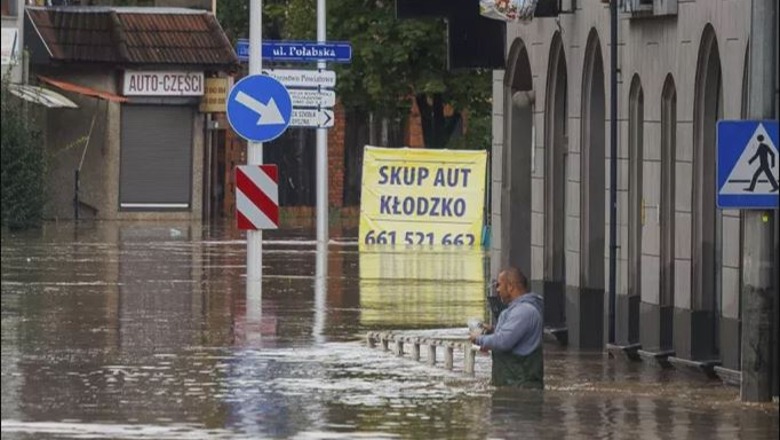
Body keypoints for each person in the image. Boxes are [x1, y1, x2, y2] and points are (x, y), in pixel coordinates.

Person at [469, 266, 544, 388]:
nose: (497, 290)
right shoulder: (515, 310)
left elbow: (503, 341)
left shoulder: (524, 311)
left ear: (510, 287)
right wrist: (492, 330)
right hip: (511, 386)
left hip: (520, 390)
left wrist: (478, 339)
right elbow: (511, 336)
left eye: (499, 285)